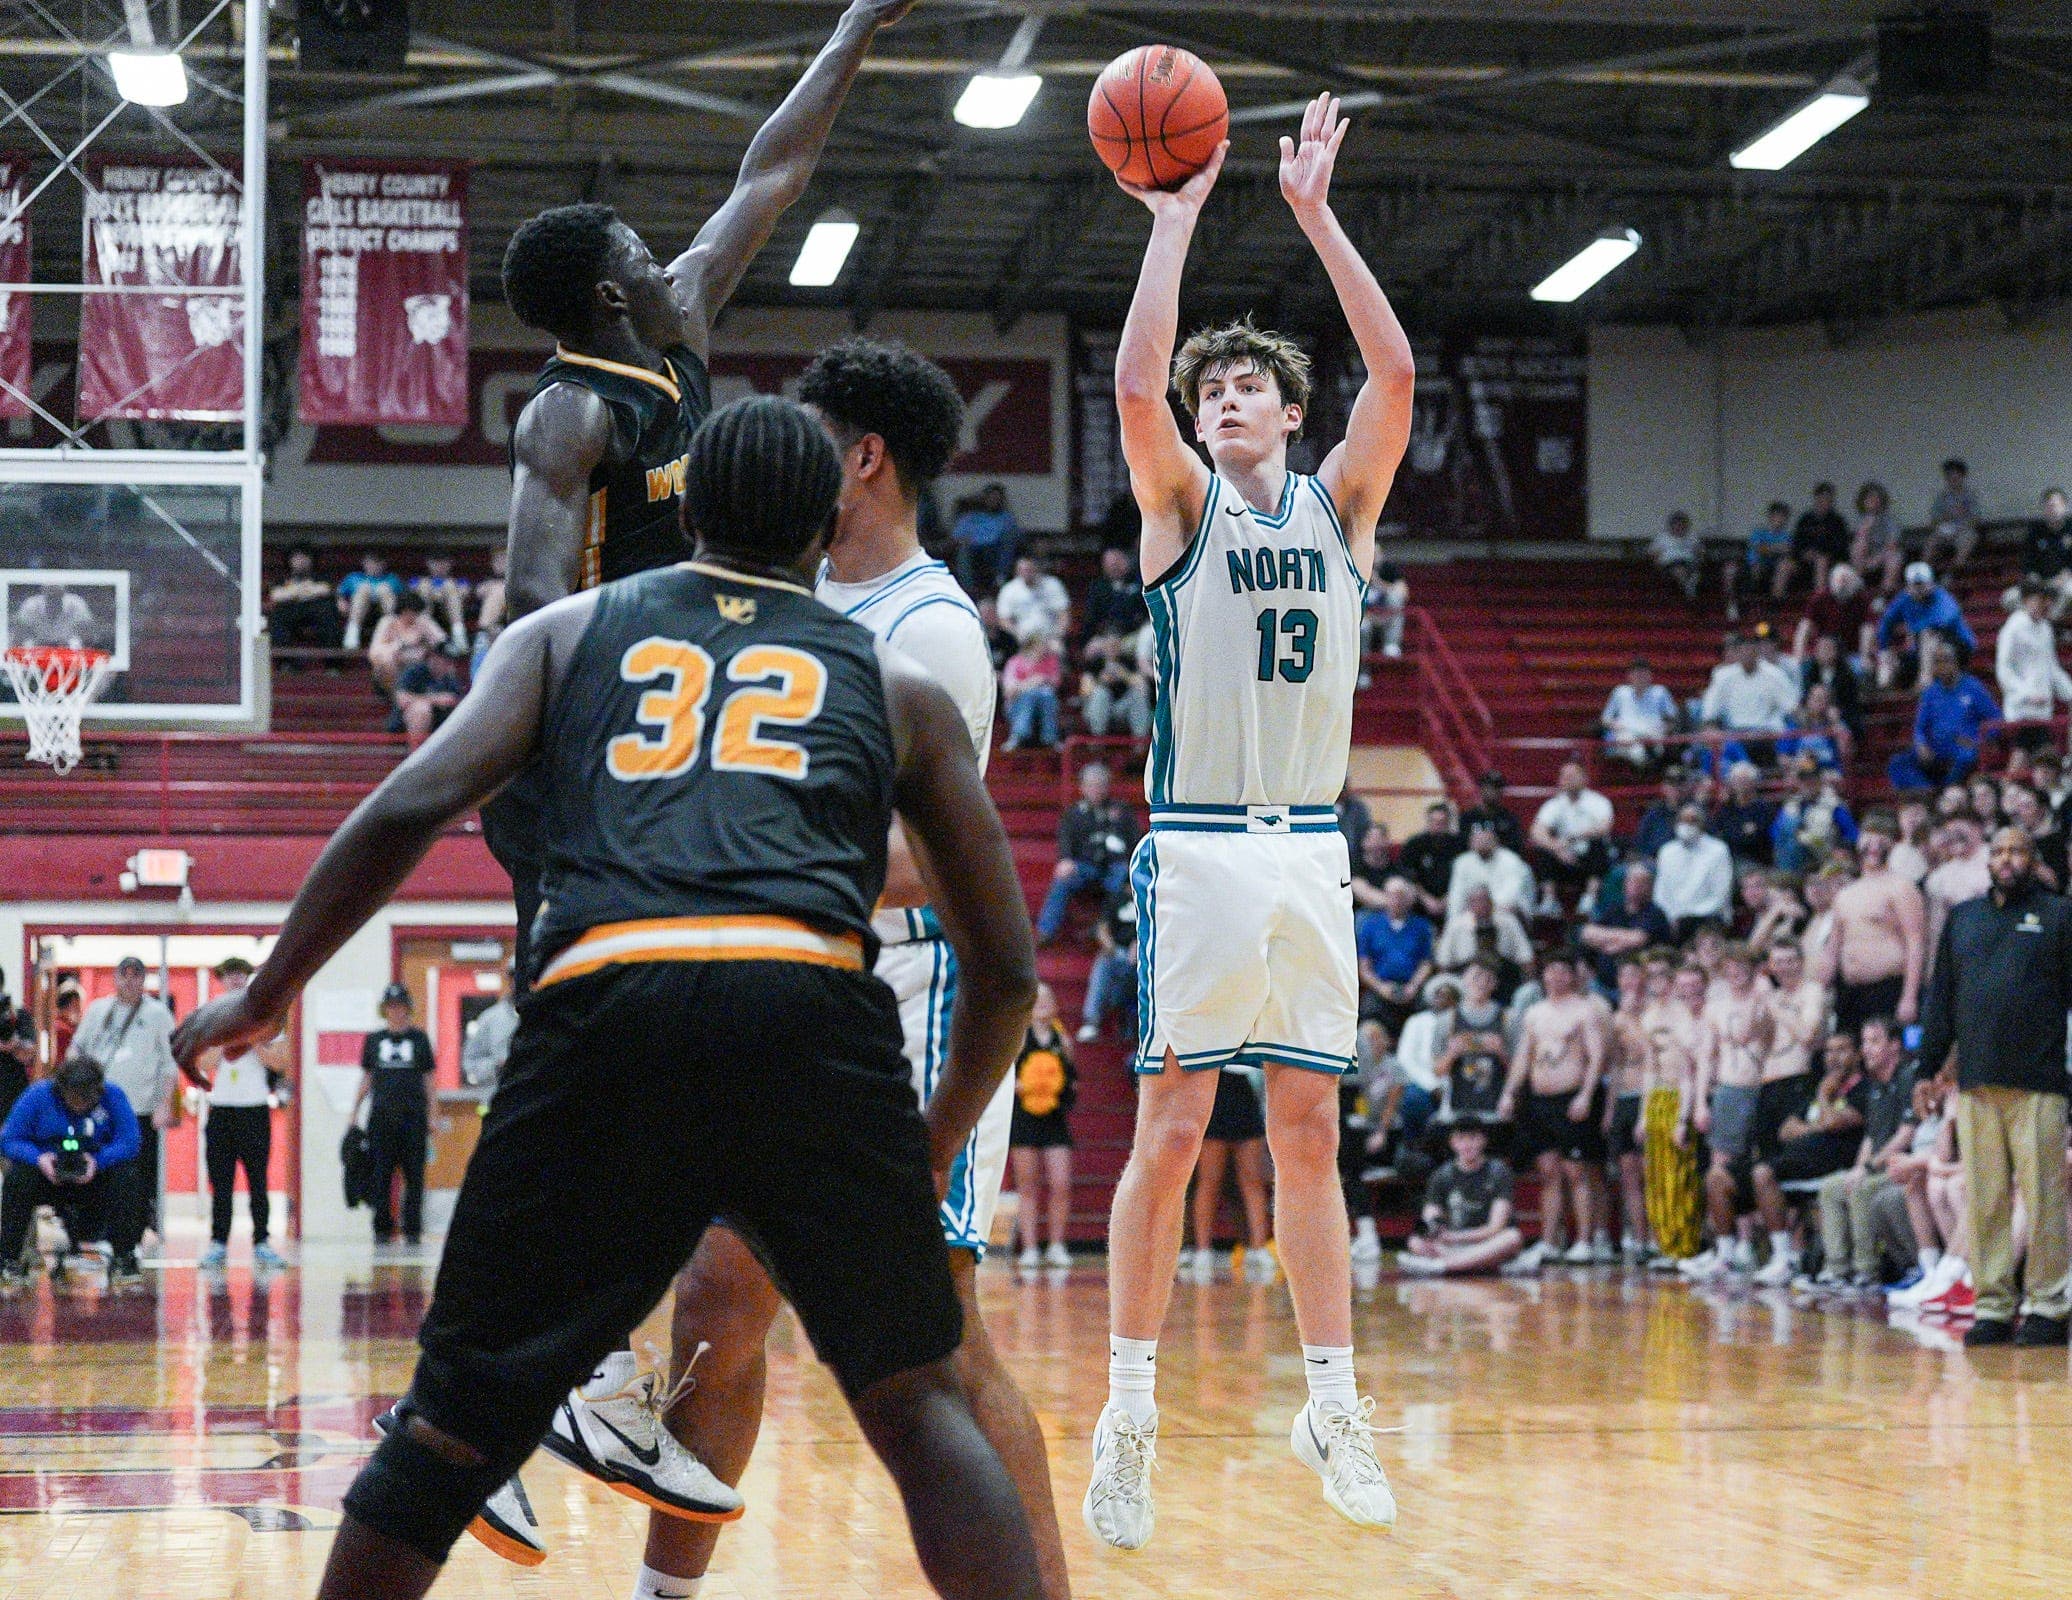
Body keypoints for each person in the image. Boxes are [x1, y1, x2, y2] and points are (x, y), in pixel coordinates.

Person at [169, 393, 1048, 1600]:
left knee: (445, 1429)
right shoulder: (896, 685)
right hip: (808, 1014)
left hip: (608, 1004)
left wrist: (265, 994)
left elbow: (407, 808)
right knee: (918, 1404)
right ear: (817, 525)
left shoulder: (567, 635)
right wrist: (924, 1141)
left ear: (684, 505)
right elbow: (1004, 968)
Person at [643, 358, 1068, 1600]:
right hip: (791, 998)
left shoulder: (929, 625)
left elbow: (930, 859)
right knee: (715, 1302)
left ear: (865, 458)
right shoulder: (794, 597)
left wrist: (741, 843)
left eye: (811, 442)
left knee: (936, 1345)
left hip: (906, 1008)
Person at [1090, 93, 1413, 1547]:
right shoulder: (1181, 511)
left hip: (1313, 849)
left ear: (1290, 413)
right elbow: (1134, 385)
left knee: (1305, 1137)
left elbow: (1395, 374)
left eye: (1247, 390)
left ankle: (1331, 1398)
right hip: (1204, 841)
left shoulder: (1341, 512)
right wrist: (1172, 225)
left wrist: (1316, 216)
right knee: (1168, 1136)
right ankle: (1130, 1410)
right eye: (1210, 390)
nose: (1220, 400)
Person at [484, 1, 910, 1002]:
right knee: (577, 995)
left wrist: (855, 26)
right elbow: (528, 597)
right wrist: (590, 735)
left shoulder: (679, 329)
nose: (662, 256)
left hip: (680, 693)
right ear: (609, 300)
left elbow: (768, 177)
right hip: (585, 729)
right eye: (637, 254)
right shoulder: (569, 415)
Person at [1920, 826, 2072, 1348]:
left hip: (2041, 1082)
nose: (2007, 859)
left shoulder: (2059, 916)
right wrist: (1926, 1067)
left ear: (2033, 860)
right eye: (1999, 851)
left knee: (2045, 1198)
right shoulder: (1964, 919)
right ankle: (1992, 1305)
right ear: (1988, 860)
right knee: (1984, 1199)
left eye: (2018, 851)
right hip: (1977, 1081)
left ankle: (2049, 1307)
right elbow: (1941, 1000)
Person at [1496, 951, 1609, 1269]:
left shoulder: (1585, 1011)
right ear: (1543, 976)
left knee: (1577, 1171)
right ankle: (1548, 1242)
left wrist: (1586, 1095)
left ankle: (1584, 1241)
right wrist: (1509, 1092)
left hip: (1572, 1097)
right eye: (1551, 971)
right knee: (1548, 1172)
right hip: (1538, 1101)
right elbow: (1523, 1056)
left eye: (1563, 971)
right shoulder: (1534, 1013)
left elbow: (1597, 1056)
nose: (1556, 977)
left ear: (1572, 976)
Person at [0, 1052, 141, 1291]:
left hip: (94, 1174)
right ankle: (9, 1260)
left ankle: (124, 1258)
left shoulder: (114, 1096)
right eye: (74, 1099)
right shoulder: (37, 1095)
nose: (79, 1105)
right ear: (60, 1089)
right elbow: (9, 1138)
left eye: (86, 1100)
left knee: (127, 1176)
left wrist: (98, 1161)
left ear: (98, 1091)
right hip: (48, 1175)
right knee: (18, 1177)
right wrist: (39, 1159)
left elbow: (131, 1141)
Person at [73, 956, 178, 1260]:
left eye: (136, 976)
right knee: (96, 1167)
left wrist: (164, 1104)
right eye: (124, 975)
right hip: (98, 1108)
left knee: (138, 1176)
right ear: (115, 978)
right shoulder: (98, 1010)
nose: (130, 981)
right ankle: (96, 1233)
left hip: (140, 1110)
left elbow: (169, 1064)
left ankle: (132, 1236)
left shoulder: (158, 1014)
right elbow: (78, 1049)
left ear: (144, 981)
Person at [1681, 943, 1773, 1281]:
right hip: (1728, 1090)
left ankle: (1748, 1244)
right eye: (1729, 968)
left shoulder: (1762, 999)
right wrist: (1702, 1102)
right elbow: (1706, 1057)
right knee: (1720, 1168)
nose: (1735, 974)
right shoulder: (1715, 1009)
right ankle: (1727, 1245)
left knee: (1751, 1166)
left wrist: (1759, 986)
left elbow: (1750, 1032)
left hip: (1758, 1087)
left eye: (1741, 967)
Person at [193, 957, 290, 1272]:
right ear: (222, 980)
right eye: (230, 976)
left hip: (254, 1109)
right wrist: (227, 1040)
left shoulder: (265, 1016)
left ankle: (262, 1241)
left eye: (241, 976)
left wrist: (253, 1040)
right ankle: (218, 1242)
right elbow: (204, 1064)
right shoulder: (212, 1016)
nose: (235, 981)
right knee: (221, 1181)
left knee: (257, 1179)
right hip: (222, 1110)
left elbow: (281, 1061)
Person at [1811, 1017, 1921, 1291]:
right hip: (1879, 1166)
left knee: (1862, 1188)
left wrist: (1868, 1168)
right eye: (1864, 1042)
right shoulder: (1875, 1087)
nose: (1866, 1049)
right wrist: (1858, 1168)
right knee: (1832, 1187)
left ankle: (1866, 1271)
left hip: (1905, 1165)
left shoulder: (1907, 1077)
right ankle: (1837, 1269)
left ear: (1894, 1046)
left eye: (1874, 1042)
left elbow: (1906, 1134)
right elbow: (1870, 1138)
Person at [1820, 811, 1926, 1034]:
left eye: (1882, 838)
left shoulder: (1901, 887)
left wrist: (1909, 997)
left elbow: (1915, 943)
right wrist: (1820, 987)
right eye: (1868, 837)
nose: (1873, 845)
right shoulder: (1845, 893)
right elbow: (1833, 946)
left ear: (1893, 843)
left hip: (1889, 990)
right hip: (1849, 993)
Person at [353, 984, 435, 1248]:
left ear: (408, 1009)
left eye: (401, 1006)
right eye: (392, 1006)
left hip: (413, 1118)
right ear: (385, 1010)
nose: (396, 1011)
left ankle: (412, 1230)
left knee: (415, 1177)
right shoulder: (374, 1040)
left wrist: (433, 1114)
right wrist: (354, 1112)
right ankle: (381, 1229)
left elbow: (428, 1080)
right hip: (381, 1119)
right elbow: (367, 1078)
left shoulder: (419, 1039)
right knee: (381, 1175)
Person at [1640, 962, 1708, 1264]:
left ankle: (1685, 1244)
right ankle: (1665, 1242)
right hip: (1659, 1095)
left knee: (1682, 1174)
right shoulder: (1650, 1015)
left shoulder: (1692, 1017)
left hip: (1683, 1097)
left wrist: (1683, 1115)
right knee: (1658, 1174)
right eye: (1652, 977)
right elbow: (1650, 1067)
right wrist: (1644, 1114)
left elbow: (1690, 1070)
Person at [1396, 1118, 1523, 1275]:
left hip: (1485, 1241)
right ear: (1452, 1143)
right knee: (1415, 1241)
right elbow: (1430, 1219)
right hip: (1453, 1245)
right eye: (1461, 1139)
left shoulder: (1498, 1172)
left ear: (1483, 1140)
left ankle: (1444, 1266)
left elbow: (1496, 1227)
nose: (1467, 1145)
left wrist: (1455, 1237)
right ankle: (1472, 1263)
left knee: (1512, 1238)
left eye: (1473, 1138)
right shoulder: (1442, 1175)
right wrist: (1433, 1231)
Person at [1009, 985, 1077, 1273]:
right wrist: (1022, 1087)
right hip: (1024, 1119)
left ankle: (1057, 1246)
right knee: (1027, 1186)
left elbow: (1072, 1080)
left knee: (1060, 1184)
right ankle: (1031, 1248)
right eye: (1038, 1000)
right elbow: (1004, 1079)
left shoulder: (1063, 1040)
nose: (1043, 1004)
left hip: (1054, 1120)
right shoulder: (1017, 1038)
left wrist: (1059, 1090)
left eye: (1048, 999)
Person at [1037, 759, 1140, 943]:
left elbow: (1135, 840)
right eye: (1091, 785)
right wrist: (1065, 860)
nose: (1095, 790)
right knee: (1064, 877)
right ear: (1082, 788)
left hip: (1115, 867)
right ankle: (1045, 931)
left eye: (1100, 785)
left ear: (1107, 786)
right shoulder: (1073, 813)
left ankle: (1102, 928)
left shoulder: (1121, 810)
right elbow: (1065, 840)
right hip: (1086, 866)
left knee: (1122, 875)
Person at [1888, 641, 2000, 791]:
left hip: (1962, 749)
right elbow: (1920, 727)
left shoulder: (1973, 688)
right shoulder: (1930, 692)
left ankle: (1945, 794)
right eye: (1937, 662)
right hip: (1936, 749)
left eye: (1946, 660)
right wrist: (1921, 744)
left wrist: (1979, 741)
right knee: (1897, 763)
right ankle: (1928, 793)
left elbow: (1997, 720)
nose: (1942, 666)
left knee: (1966, 757)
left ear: (1955, 662)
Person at [1601, 959, 1653, 1258]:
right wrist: (1610, 1108)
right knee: (1629, 1173)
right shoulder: (1615, 1017)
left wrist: (1632, 1017)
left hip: (1651, 1093)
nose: (1629, 980)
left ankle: (1660, 1238)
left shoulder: (1653, 1012)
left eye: (1634, 973)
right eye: (1624, 974)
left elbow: (1651, 1055)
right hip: (1624, 1097)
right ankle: (1640, 1238)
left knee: (1651, 1171)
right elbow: (1616, 1064)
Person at [1529, 760, 1613, 914]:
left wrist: (1575, 837)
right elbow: (1536, 831)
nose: (1567, 779)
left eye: (1572, 775)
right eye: (1564, 776)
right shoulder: (1554, 804)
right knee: (1542, 848)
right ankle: (1549, 900)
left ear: (1584, 779)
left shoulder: (1599, 802)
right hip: (1562, 858)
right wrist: (1556, 848)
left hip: (1588, 859)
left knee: (1598, 845)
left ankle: (1590, 898)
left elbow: (1604, 827)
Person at [1995, 579, 2072, 746]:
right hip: (2021, 709)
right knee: (2031, 755)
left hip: (2042, 709)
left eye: (2045, 600)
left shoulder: (2045, 628)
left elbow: (2051, 667)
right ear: (2025, 601)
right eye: (2038, 600)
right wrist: (2026, 694)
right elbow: (2004, 669)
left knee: (2036, 758)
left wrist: (2069, 692)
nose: (2043, 605)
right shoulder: (2012, 628)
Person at [1700, 632, 1799, 761]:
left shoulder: (1774, 674)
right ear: (1738, 653)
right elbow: (1709, 714)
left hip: (1768, 734)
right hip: (1734, 734)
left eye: (1751, 650)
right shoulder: (1723, 676)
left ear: (1757, 652)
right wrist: (1710, 728)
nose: (1747, 654)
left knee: (1792, 730)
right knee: (1709, 744)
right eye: (1743, 651)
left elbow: (1792, 708)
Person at [1356, 876, 1433, 1041]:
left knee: (1428, 1014)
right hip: (1380, 988)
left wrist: (1413, 985)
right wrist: (1381, 987)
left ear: (1409, 899)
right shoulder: (1370, 925)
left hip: (1411, 988)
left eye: (1401, 896)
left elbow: (1426, 963)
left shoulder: (1421, 926)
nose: (1397, 900)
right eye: (1392, 895)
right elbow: (1364, 968)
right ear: (1385, 897)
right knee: (1367, 1012)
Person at [1876, 563, 1976, 690]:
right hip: (1921, 649)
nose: (1919, 588)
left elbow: (1945, 620)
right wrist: (1884, 649)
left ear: (1931, 583)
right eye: (1914, 584)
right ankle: (1885, 686)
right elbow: (1886, 622)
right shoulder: (1904, 599)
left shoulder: (1942, 597)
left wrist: (1914, 631)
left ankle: (1925, 681)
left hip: (1957, 645)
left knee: (1928, 634)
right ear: (1908, 586)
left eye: (1921, 584)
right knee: (1893, 657)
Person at [1578, 861, 1671, 993]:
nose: (1635, 886)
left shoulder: (1655, 913)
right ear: (1625, 884)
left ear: (1650, 887)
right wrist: (1619, 941)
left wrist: (1603, 940)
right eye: (1631, 881)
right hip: (1603, 984)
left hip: (1639, 987)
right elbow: (1587, 932)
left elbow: (1638, 939)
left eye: (1641, 883)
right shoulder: (1614, 909)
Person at [1653, 802, 1734, 939]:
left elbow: (1721, 895)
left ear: (1702, 824)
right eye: (1683, 820)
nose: (1687, 825)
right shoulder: (1666, 851)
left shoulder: (1718, 850)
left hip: (1708, 916)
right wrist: (1671, 916)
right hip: (1673, 918)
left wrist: (1689, 915)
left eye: (1692, 820)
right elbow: (1660, 892)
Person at [1079, 888, 1138, 1044]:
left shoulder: (1155, 898)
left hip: (1149, 954)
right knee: (1104, 962)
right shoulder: (1117, 898)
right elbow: (1102, 927)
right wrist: (1108, 945)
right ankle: (1091, 1021)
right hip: (1119, 952)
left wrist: (1143, 944)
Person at [1445, 818, 1535, 919]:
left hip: (1505, 913)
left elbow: (1512, 895)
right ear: (1471, 843)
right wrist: (1454, 920)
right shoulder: (1462, 862)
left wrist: (1484, 909)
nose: (1482, 843)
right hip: (1471, 914)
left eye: (1486, 840)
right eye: (1478, 840)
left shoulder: (1511, 861)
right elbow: (1456, 896)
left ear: (1495, 841)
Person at [1601, 658, 1678, 771]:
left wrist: (1666, 727)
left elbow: (1673, 717)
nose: (1640, 678)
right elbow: (1605, 718)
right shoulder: (1620, 692)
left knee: (1656, 747)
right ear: (1630, 676)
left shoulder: (1660, 692)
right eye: (1637, 674)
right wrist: (1615, 725)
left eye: (1643, 674)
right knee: (1633, 750)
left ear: (1650, 676)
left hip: (1653, 733)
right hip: (1627, 734)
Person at [368, 590, 448, 698]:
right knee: (385, 661)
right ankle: (396, 696)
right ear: (403, 610)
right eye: (412, 612)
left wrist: (427, 644)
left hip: (417, 667)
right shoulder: (387, 622)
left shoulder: (423, 621)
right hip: (393, 668)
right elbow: (374, 651)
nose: (414, 616)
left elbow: (442, 641)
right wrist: (400, 645)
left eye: (417, 612)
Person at [1079, 623, 1152, 739]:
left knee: (1137, 695)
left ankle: (1140, 743)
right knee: (1100, 693)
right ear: (1104, 645)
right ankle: (1098, 742)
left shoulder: (1127, 661)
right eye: (1110, 645)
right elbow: (1085, 691)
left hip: (1122, 707)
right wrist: (1101, 681)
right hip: (1097, 707)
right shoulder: (1095, 663)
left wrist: (1124, 675)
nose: (1112, 648)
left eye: (1116, 645)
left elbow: (1142, 686)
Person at [2010, 486, 2072, 618]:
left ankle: (2048, 623)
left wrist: (2068, 574)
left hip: (2065, 581)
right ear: (2044, 509)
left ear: (2065, 507)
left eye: (2056, 505)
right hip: (2040, 582)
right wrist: (2032, 576)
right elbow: (2027, 561)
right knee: (2009, 598)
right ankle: (2035, 621)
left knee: (2070, 591)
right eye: (2048, 506)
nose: (2053, 510)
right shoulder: (2035, 531)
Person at [1396, 799, 1462, 919]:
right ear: (1427, 822)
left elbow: (1463, 877)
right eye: (1434, 822)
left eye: (1442, 822)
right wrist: (1426, 899)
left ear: (1448, 823)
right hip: (1420, 901)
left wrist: (1447, 899)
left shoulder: (1459, 845)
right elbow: (1408, 875)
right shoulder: (1414, 844)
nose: (1437, 826)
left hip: (1453, 900)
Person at [1000, 630, 1064, 751]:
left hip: (1044, 704)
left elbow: (1055, 683)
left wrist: (1042, 681)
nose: (1044, 648)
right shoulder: (1014, 662)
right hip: (1017, 705)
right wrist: (1030, 683)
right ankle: (1018, 735)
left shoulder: (1051, 661)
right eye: (1040, 645)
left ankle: (1050, 737)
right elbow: (1009, 691)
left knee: (1047, 695)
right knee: (1029, 695)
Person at [952, 482, 1020, 594]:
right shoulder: (970, 516)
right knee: (963, 549)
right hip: (975, 551)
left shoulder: (1006, 517)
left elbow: (1014, 536)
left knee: (1008, 541)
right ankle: (967, 589)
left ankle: (1000, 580)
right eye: (991, 497)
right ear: (984, 499)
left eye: (997, 498)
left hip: (996, 551)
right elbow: (957, 536)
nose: (993, 500)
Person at [1728, 499, 1795, 614]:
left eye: (1783, 517)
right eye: (1777, 516)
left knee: (1784, 566)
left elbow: (1787, 550)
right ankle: (1731, 604)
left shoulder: (1786, 536)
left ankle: (1774, 608)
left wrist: (1767, 548)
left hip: (1771, 567)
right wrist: (1775, 548)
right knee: (1731, 568)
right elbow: (1758, 548)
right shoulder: (1758, 532)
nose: (1780, 519)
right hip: (1751, 564)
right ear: (1770, 517)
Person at [459, 967, 519, 1094]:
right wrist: (496, 1067)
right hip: (498, 1098)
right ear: (509, 980)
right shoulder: (490, 1018)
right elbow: (469, 1063)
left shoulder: (545, 1016)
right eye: (515, 976)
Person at [269, 546, 342, 648]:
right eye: (297, 558)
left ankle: (332, 661)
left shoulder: (320, 576)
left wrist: (293, 591)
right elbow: (276, 595)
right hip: (291, 611)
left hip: (317, 611)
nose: (301, 561)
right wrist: (308, 589)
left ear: (311, 560)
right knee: (277, 615)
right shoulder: (282, 578)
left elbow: (325, 589)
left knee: (330, 611)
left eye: (305, 557)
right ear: (290, 560)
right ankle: (285, 662)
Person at [1709, 760, 1776, 865]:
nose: (1740, 784)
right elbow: (1717, 833)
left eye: (1744, 780)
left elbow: (1755, 839)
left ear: (1754, 783)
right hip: (1727, 858)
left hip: (1755, 860)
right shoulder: (1725, 807)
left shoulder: (1763, 808)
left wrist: (1736, 834)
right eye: (1736, 780)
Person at [996, 553, 1070, 646]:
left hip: (1049, 636)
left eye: (1029, 569)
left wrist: (1057, 634)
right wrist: (1017, 633)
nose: (1026, 573)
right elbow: (1003, 620)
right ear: (1017, 571)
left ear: (1036, 568)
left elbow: (1063, 615)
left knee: (1057, 649)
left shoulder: (1053, 585)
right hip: (1022, 638)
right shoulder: (1009, 590)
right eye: (1022, 570)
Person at [338, 552, 405, 651]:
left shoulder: (392, 579)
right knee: (364, 588)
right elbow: (340, 595)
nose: (373, 565)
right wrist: (341, 602)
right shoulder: (354, 577)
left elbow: (403, 599)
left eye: (377, 562)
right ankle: (352, 633)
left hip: (383, 613)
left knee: (383, 588)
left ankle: (394, 632)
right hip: (359, 613)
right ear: (364, 563)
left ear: (383, 564)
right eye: (370, 562)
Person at [1080, 545, 1148, 643]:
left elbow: (1142, 612)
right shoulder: (1098, 588)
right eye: (1111, 564)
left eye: (1117, 563)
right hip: (1105, 635)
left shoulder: (1139, 583)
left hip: (1135, 634)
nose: (1114, 567)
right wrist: (1090, 639)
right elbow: (1091, 618)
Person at [1927, 458, 1980, 571]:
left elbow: (1976, 518)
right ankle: (1927, 572)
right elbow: (1934, 520)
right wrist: (1945, 518)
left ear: (1962, 477)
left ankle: (1954, 571)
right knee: (1931, 542)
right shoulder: (1942, 497)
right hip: (1944, 530)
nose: (1953, 478)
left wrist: (1962, 525)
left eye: (1956, 475)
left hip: (1964, 530)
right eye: (1950, 475)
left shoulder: (1970, 496)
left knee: (1968, 539)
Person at [1851, 482, 1902, 596]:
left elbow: (1892, 545)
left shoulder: (1889, 520)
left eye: (1876, 498)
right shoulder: (1860, 520)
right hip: (1864, 558)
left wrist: (1876, 560)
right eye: (1869, 498)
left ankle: (1884, 595)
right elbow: (1859, 543)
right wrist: (1867, 526)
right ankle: (1857, 592)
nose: (1873, 501)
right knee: (1858, 546)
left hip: (1884, 555)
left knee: (1894, 557)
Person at [414, 554, 473, 653]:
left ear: (450, 563)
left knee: (449, 586)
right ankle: (426, 635)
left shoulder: (460, 581)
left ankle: (459, 639)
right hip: (427, 614)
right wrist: (436, 594)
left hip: (450, 614)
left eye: (443, 562)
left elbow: (465, 593)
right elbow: (413, 596)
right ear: (429, 563)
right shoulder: (418, 581)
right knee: (424, 586)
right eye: (435, 562)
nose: (439, 565)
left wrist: (443, 592)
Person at [1459, 770, 1526, 855]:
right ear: (1481, 789)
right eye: (1488, 787)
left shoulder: (1509, 819)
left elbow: (1516, 847)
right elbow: (1460, 846)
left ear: (1501, 792)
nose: (1492, 791)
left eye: (1497, 788)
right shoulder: (1467, 818)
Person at [1363, 556, 1408, 661]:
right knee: (1363, 628)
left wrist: (1377, 581)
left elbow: (1404, 593)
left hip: (1386, 616)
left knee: (1395, 598)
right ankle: (1362, 671)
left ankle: (1391, 645)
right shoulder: (1357, 571)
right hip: (1365, 619)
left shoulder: (1388, 570)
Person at [1650, 509, 1701, 601]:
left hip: (1688, 561)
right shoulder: (1662, 537)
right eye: (1677, 524)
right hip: (1669, 563)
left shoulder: (1692, 537)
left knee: (1692, 571)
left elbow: (1699, 552)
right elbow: (1654, 554)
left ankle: (1688, 583)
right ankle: (1688, 587)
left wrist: (1698, 558)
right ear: (1671, 525)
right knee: (1679, 570)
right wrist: (1658, 564)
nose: (1679, 527)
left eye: (1682, 525)